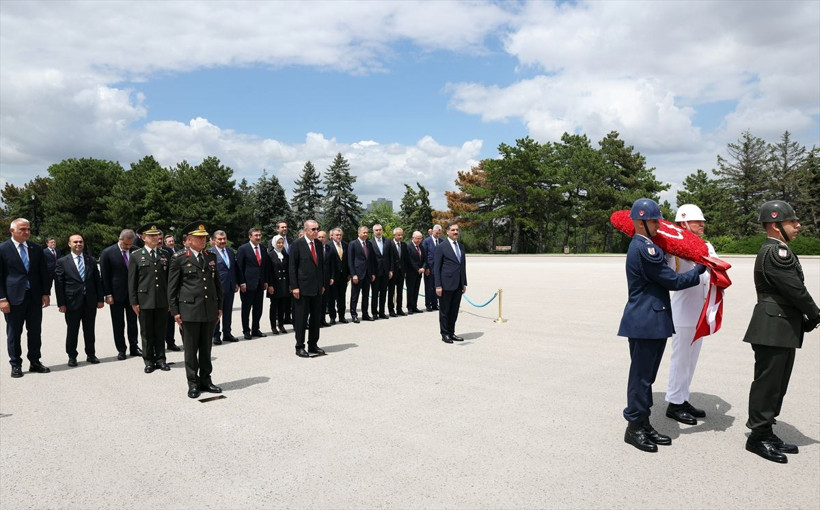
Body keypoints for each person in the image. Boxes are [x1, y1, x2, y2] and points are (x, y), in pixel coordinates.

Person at [617, 198, 705, 453]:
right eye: (654, 220)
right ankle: (634, 427)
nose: (659, 224)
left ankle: (643, 423)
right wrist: (699, 268)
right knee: (641, 378)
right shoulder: (645, 249)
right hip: (645, 321)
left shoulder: (648, 245)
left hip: (651, 320)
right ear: (640, 223)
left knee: (647, 377)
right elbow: (672, 281)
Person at [743, 200, 819, 463]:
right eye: (792, 221)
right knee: (768, 383)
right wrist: (815, 312)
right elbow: (794, 290)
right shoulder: (776, 253)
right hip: (772, 326)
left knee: (777, 384)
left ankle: (766, 429)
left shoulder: (779, 249)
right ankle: (757, 436)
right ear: (775, 226)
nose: (798, 225)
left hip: (781, 325)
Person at [664, 204, 717, 425]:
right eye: (697, 222)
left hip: (700, 312)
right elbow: (670, 274)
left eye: (703, 221)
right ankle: (674, 404)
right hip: (683, 312)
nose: (702, 225)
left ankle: (683, 399)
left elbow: (715, 268)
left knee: (691, 360)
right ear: (683, 223)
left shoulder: (707, 245)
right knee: (681, 359)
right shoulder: (673, 248)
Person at [168, 221, 223, 399]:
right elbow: (172, 288)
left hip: (209, 310)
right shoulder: (179, 258)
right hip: (189, 310)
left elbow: (216, 284)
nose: (203, 240)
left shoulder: (210, 256)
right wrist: (176, 312)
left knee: (206, 348)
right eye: (199, 238)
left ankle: (206, 380)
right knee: (191, 350)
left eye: (204, 237)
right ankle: (193, 383)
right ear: (189, 240)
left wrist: (219, 307)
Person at [0, 218, 51, 378]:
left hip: (34, 297)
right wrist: (2, 299)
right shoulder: (3, 249)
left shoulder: (36, 248)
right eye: (22, 229)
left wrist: (45, 293)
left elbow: (43, 272)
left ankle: (35, 361)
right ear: (12, 231)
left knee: (35, 331)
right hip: (13, 298)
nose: (27, 232)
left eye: (28, 229)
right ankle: (16, 364)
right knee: (14, 333)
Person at [55, 234, 105, 367]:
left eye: (81, 242)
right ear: (69, 244)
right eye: (75, 242)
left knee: (89, 330)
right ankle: (72, 356)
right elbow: (59, 284)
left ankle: (91, 354)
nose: (78, 244)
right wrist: (61, 303)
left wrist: (100, 299)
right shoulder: (62, 262)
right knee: (72, 330)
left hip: (90, 301)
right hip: (71, 302)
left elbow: (97, 281)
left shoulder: (91, 260)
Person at [128, 224, 171, 374]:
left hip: (162, 299)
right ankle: (148, 360)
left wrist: (171, 300)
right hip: (144, 300)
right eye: (151, 235)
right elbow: (132, 281)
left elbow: (170, 280)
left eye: (156, 235)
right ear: (143, 237)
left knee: (161, 331)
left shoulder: (165, 254)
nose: (155, 238)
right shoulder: (136, 255)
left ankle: (161, 359)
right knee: (146, 332)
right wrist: (134, 301)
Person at [100, 229, 141, 360]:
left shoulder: (137, 250)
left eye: (130, 244)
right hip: (116, 294)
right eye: (126, 244)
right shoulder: (107, 253)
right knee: (118, 323)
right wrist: (108, 294)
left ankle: (134, 346)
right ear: (120, 239)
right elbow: (105, 276)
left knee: (133, 322)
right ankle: (121, 349)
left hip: (133, 294)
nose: (128, 247)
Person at [289, 219, 325, 358]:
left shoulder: (318, 244)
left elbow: (321, 266)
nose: (316, 232)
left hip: (316, 287)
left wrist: (321, 284)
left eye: (317, 229)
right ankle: (299, 346)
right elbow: (292, 267)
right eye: (313, 229)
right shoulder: (297, 244)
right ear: (305, 230)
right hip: (302, 288)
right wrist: (295, 287)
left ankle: (313, 344)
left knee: (316, 317)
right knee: (301, 318)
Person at [434, 224, 468, 344]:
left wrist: (464, 283)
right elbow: (436, 268)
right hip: (445, 284)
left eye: (457, 230)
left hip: (458, 284)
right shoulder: (441, 247)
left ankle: (451, 332)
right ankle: (445, 334)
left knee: (454, 310)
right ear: (447, 232)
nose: (455, 232)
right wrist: (438, 285)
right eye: (453, 230)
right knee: (445, 310)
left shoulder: (461, 246)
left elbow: (462, 266)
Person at [237, 227, 270, 339]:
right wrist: (242, 283)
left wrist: (265, 280)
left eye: (260, 235)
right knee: (246, 309)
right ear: (250, 236)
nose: (258, 237)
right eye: (256, 235)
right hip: (247, 284)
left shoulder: (263, 248)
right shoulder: (243, 249)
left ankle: (256, 329)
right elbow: (239, 268)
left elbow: (264, 267)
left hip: (260, 284)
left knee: (258, 309)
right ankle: (246, 330)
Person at [210, 230, 242, 344]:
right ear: (214, 240)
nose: (222, 241)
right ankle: (216, 335)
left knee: (228, 311)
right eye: (219, 239)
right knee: (216, 312)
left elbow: (233, 268)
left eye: (224, 239)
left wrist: (236, 282)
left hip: (230, 286)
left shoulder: (229, 251)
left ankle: (227, 333)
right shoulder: (210, 253)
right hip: (216, 288)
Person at [158, 230, 182, 353]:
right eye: (157, 237)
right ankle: (157, 346)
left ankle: (170, 342)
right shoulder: (142, 253)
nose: (159, 240)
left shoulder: (167, 253)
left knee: (170, 320)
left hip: (168, 291)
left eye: (160, 237)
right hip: (154, 294)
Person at [348, 225, 374, 323]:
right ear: (359, 233)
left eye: (367, 232)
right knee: (355, 296)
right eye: (364, 232)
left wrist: (372, 273)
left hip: (367, 274)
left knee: (366, 295)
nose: (366, 234)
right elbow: (350, 261)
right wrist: (353, 274)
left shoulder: (369, 244)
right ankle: (354, 314)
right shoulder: (353, 244)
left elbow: (370, 260)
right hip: (357, 275)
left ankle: (365, 313)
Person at [267, 235, 290, 335]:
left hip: (284, 283)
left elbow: (289, 270)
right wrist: (270, 285)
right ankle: (273, 326)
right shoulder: (270, 255)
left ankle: (281, 324)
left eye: (282, 243)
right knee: (274, 306)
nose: (280, 245)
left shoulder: (285, 254)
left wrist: (290, 285)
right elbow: (268, 271)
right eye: (278, 243)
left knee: (282, 306)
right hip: (275, 284)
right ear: (274, 243)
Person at [368, 224, 391, 320]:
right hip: (375, 273)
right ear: (373, 232)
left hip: (385, 272)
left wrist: (391, 270)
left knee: (383, 293)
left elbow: (391, 257)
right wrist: (372, 273)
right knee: (375, 293)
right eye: (376, 230)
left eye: (380, 230)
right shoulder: (370, 243)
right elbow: (369, 260)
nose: (378, 231)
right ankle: (374, 312)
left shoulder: (388, 242)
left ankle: (382, 312)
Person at [327, 228, 349, 324]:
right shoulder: (328, 246)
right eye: (337, 235)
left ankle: (342, 316)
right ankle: (332, 317)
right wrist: (330, 276)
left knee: (342, 297)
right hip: (333, 277)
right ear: (332, 236)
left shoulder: (345, 245)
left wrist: (349, 274)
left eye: (340, 235)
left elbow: (348, 261)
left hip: (343, 276)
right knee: (332, 298)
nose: (339, 236)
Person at [388, 227, 408, 317]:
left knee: (400, 291)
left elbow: (405, 259)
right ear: (394, 235)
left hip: (401, 272)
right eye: (399, 235)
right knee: (391, 292)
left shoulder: (404, 245)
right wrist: (390, 270)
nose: (400, 236)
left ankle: (399, 309)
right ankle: (391, 309)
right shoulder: (389, 244)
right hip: (393, 272)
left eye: (401, 235)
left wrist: (405, 271)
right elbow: (388, 259)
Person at [405, 231, 427, 314]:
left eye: (420, 238)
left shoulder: (422, 247)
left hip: (419, 272)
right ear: (413, 238)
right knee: (410, 290)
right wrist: (417, 269)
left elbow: (425, 259)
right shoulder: (408, 246)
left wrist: (423, 268)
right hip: (411, 272)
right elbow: (410, 260)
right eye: (417, 238)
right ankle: (410, 307)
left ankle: (414, 306)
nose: (418, 240)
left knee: (416, 290)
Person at [423, 225, 443, 311]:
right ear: (433, 232)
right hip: (429, 268)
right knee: (428, 287)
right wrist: (426, 267)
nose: (438, 234)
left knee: (437, 286)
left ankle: (435, 304)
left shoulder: (442, 241)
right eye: (436, 233)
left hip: (439, 269)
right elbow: (424, 255)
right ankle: (428, 304)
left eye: (439, 233)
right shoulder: (426, 241)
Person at [317, 230, 334, 327]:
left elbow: (332, 264)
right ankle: (316, 320)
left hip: (327, 278)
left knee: (324, 300)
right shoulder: (314, 248)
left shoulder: (329, 248)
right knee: (317, 301)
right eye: (319, 237)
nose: (321, 239)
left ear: (326, 238)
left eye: (323, 237)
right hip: (317, 278)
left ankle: (323, 319)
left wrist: (332, 277)